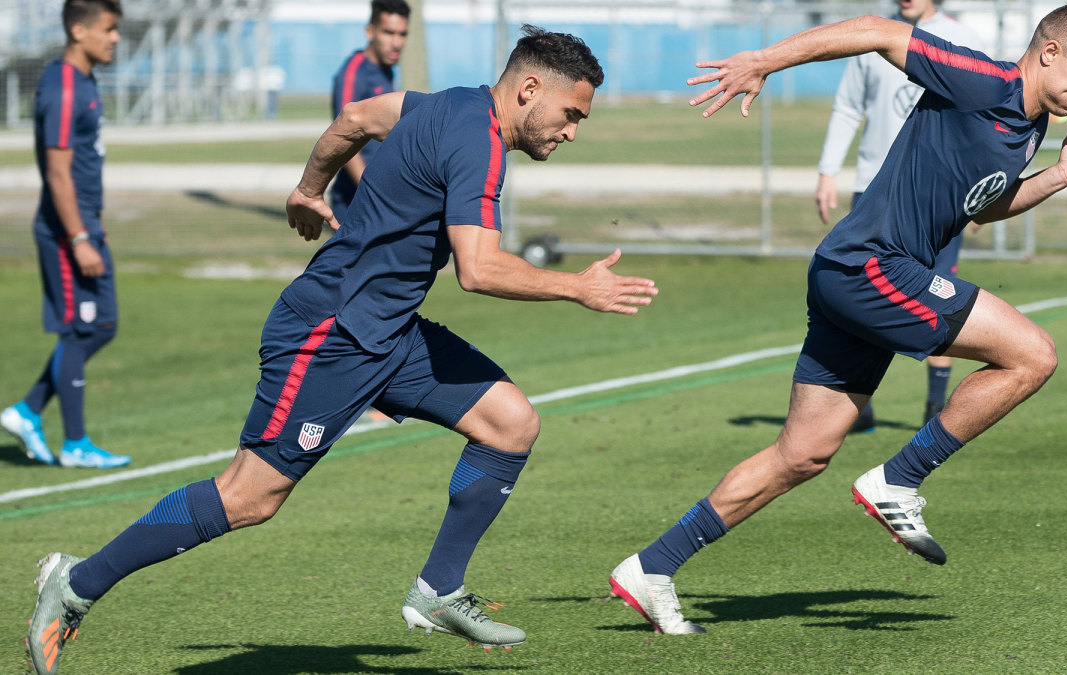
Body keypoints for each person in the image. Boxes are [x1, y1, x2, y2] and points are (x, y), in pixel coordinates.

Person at [27, 25, 658, 673]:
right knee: (251, 496)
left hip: (389, 331)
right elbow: (479, 268)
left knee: (510, 422)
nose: (572, 130)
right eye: (571, 113)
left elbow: (356, 118)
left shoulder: (445, 102)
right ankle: (77, 582)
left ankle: (438, 588)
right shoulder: (480, 142)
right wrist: (577, 287)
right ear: (529, 89)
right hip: (329, 333)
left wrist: (310, 187)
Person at [610, 4, 1067, 634]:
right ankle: (898, 479)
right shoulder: (986, 80)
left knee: (801, 455)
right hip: (870, 267)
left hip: (853, 275)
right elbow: (878, 30)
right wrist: (763, 61)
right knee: (1033, 354)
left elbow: (982, 209)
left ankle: (652, 566)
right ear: (1049, 53)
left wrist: (1062, 176)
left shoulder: (1030, 124)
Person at [816, 0, 983, 433]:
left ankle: (934, 404)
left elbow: (983, 121)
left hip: (935, 197)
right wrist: (827, 171)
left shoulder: (963, 39)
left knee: (941, 294)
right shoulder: (873, 36)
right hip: (873, 189)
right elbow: (849, 106)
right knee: (865, 296)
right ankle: (856, 405)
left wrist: (981, 196)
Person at [1, 0, 130, 470]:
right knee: (80, 328)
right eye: (109, 29)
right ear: (79, 30)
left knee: (105, 324)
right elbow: (57, 174)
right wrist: (77, 236)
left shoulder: (87, 81)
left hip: (87, 224)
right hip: (63, 234)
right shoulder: (63, 88)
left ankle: (28, 409)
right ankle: (75, 443)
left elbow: (82, 166)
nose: (116, 38)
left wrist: (94, 223)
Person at [329, 0, 410, 224]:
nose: (396, 43)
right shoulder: (353, 72)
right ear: (370, 31)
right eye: (388, 32)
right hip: (357, 201)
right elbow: (342, 138)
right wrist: (376, 195)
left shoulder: (386, 72)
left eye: (402, 34)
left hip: (382, 198)